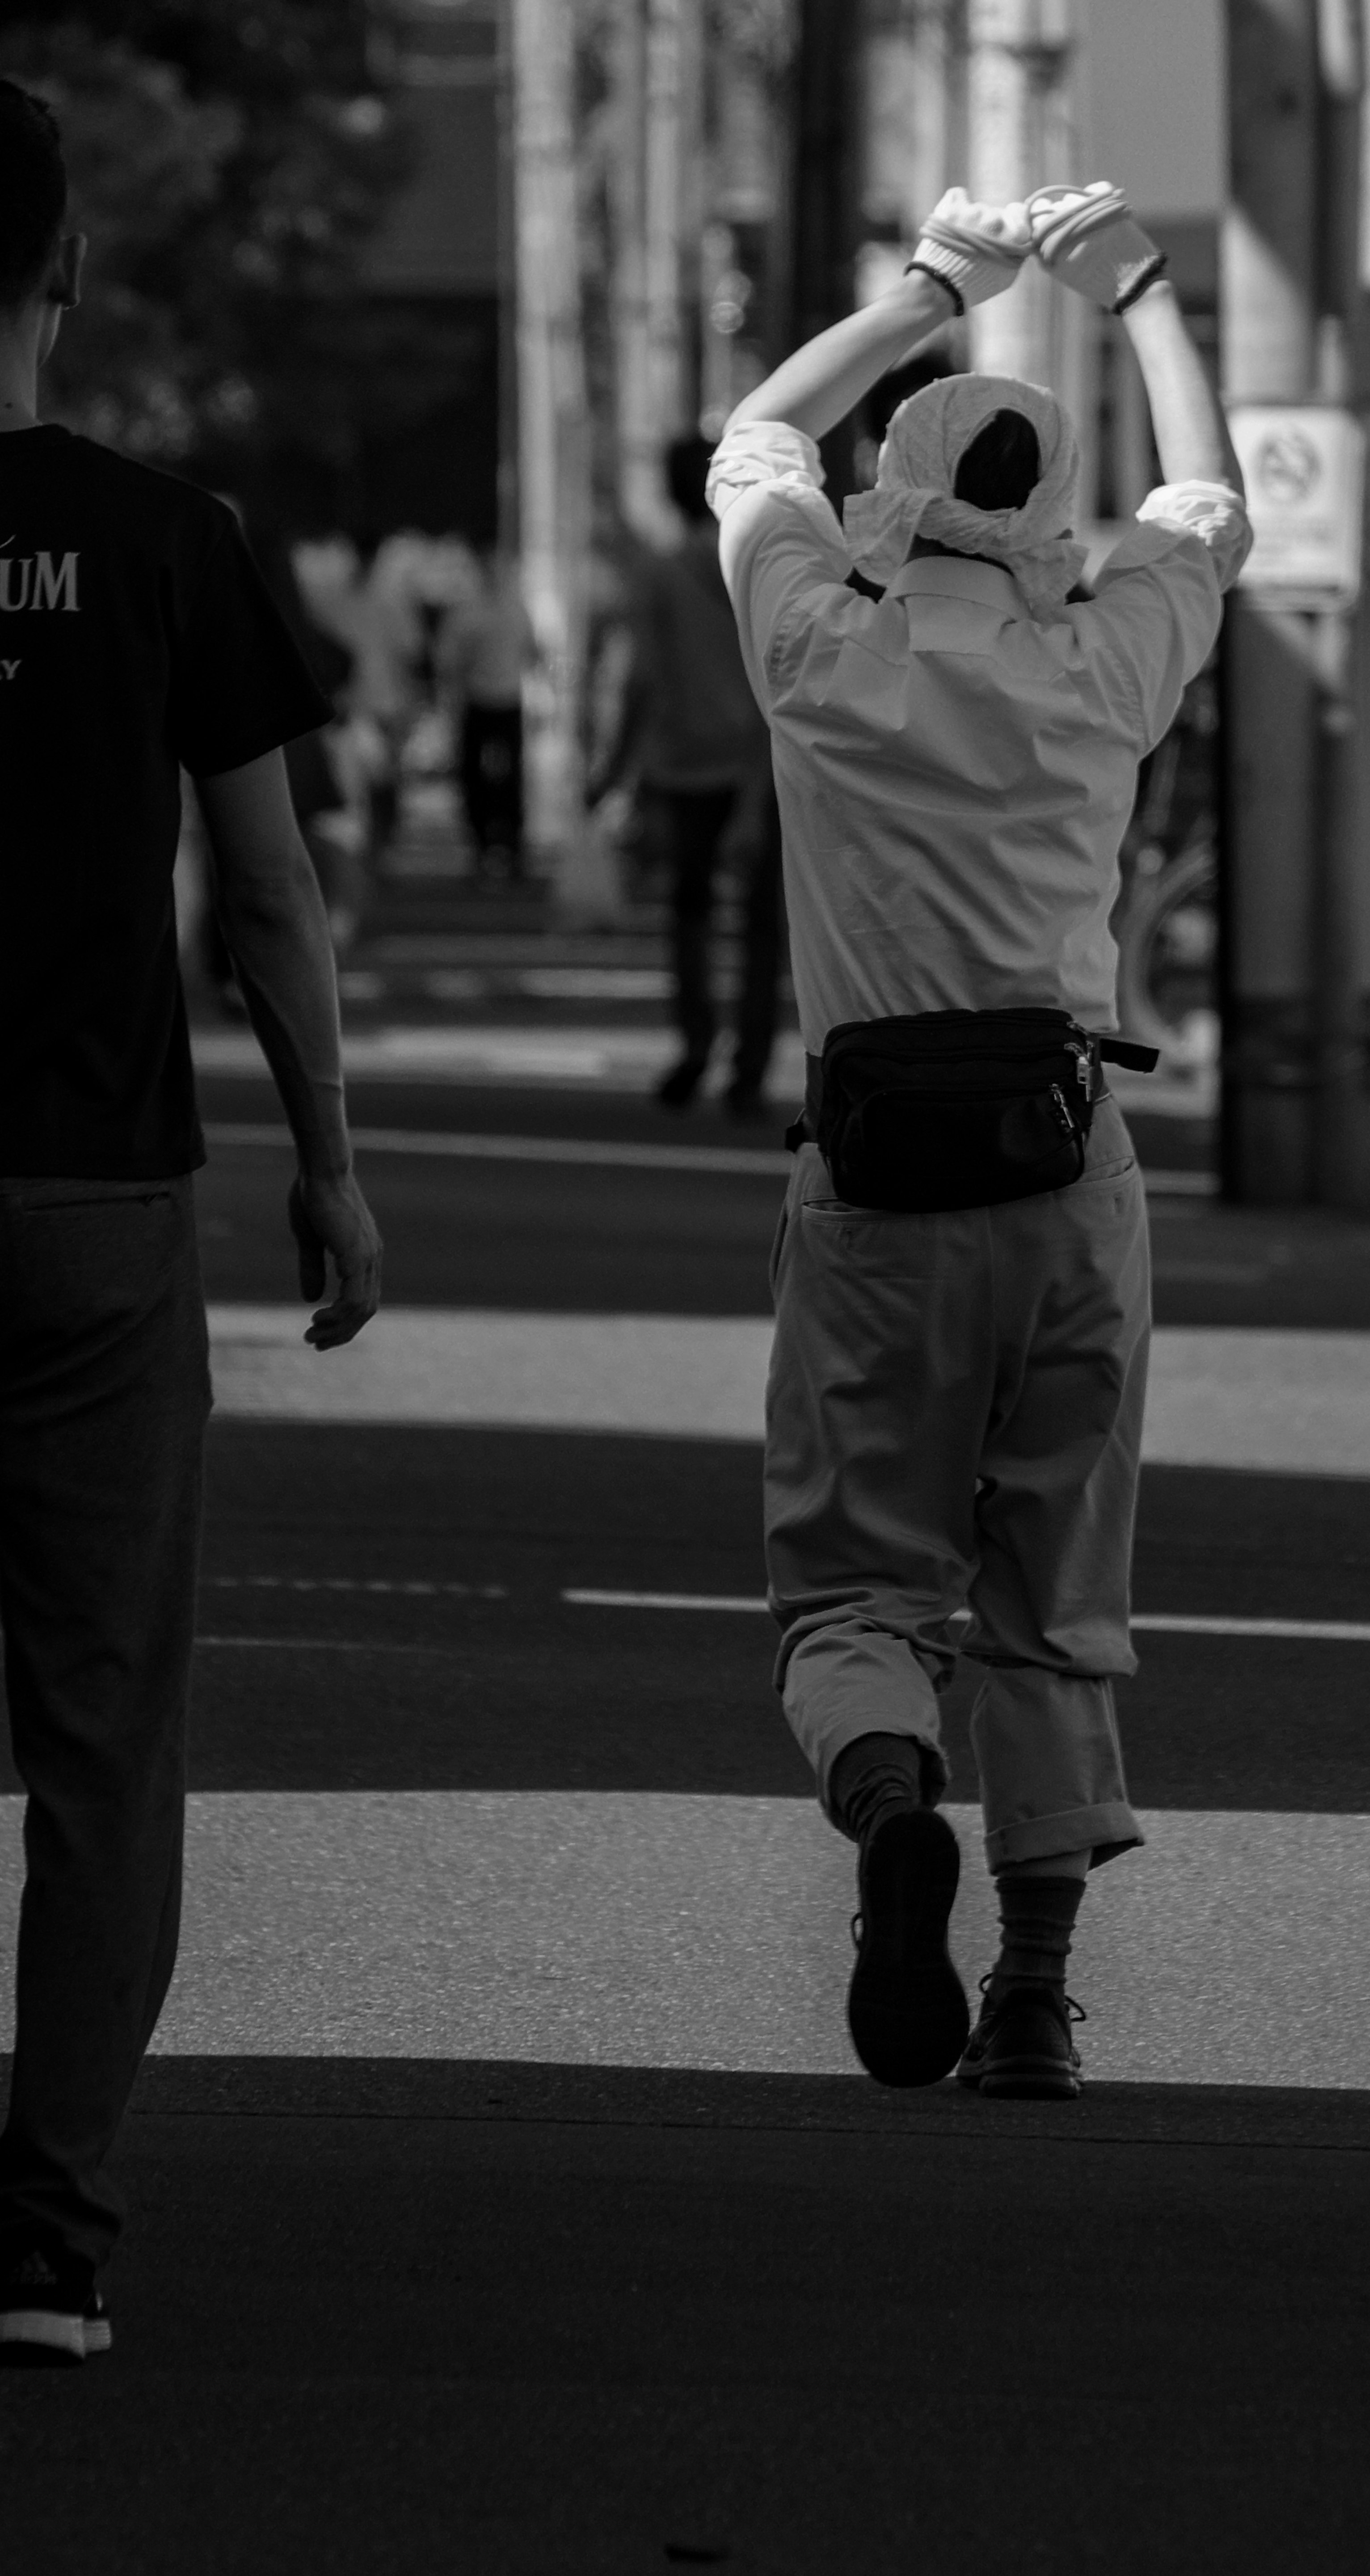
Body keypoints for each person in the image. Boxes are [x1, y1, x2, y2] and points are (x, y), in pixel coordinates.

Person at [708, 182, 1250, 2097]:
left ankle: (886, 1810)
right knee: (1051, 1593)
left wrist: (936, 286)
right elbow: (1207, 506)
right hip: (1063, 1165)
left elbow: (756, 437)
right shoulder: (1102, 661)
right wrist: (1140, 297)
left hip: (867, 1180)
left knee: (852, 1587)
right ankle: (1029, 1988)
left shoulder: (813, 652)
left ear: (899, 488)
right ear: (1041, 517)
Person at [0, 80, 382, 2363]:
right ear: (62, 271)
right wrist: (326, 1157)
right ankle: (48, 2238)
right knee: (103, 1733)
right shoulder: (164, 538)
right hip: (97, 1209)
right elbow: (265, 892)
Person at [594, 435, 783, 1117]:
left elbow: (640, 679)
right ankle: (752, 1064)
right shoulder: (755, 570)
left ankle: (697, 1043)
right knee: (763, 924)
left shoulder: (658, 573)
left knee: (691, 913)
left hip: (682, 768)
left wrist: (612, 769)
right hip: (760, 761)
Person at [436, 543, 534, 880]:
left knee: (512, 779)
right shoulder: (467, 612)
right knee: (475, 777)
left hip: (508, 700)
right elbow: (449, 661)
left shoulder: (515, 608)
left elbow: (530, 650)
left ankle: (512, 845)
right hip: (479, 700)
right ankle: (482, 844)